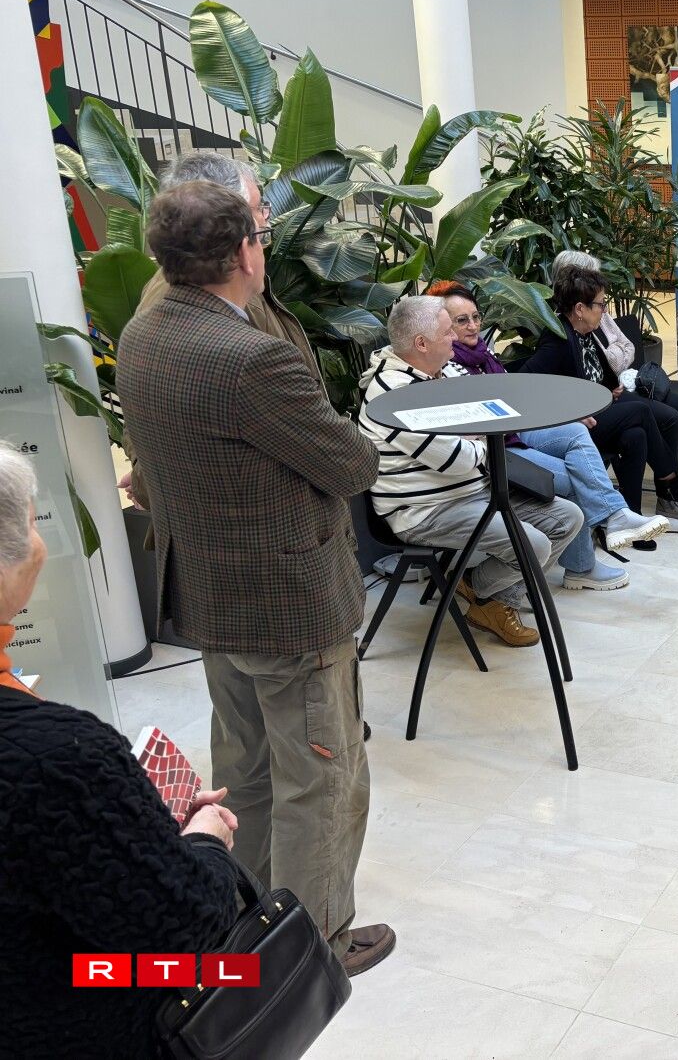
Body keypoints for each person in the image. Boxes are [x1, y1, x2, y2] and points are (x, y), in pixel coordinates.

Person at [114, 181, 394, 975]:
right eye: (260, 234)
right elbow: (351, 462)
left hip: (209, 599)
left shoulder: (141, 333)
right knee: (319, 781)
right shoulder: (252, 358)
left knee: (244, 770)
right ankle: (312, 951)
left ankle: (243, 925)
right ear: (244, 252)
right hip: (290, 609)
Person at [0, 442, 245, 1058]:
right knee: (246, 973)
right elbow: (184, 927)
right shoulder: (56, 759)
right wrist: (204, 839)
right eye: (32, 522)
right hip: (68, 1018)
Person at [358, 297, 585, 642]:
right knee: (534, 545)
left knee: (568, 517)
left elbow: (498, 416)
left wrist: (472, 435)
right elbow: (459, 459)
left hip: (474, 489)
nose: (457, 337)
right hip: (425, 510)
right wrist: (480, 438)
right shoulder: (392, 393)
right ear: (421, 344)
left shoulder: (446, 371)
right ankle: (486, 595)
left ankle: (485, 596)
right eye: (448, 331)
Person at [432, 281, 668, 583]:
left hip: (518, 430)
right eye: (462, 320)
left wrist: (567, 414)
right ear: (443, 326)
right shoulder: (446, 365)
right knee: (576, 473)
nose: (473, 325)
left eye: (476, 317)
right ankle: (582, 567)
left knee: (577, 431)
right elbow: (482, 421)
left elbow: (517, 396)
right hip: (496, 446)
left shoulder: (482, 353)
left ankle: (616, 515)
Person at [123, 151, 317, 509]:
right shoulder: (207, 300)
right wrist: (146, 480)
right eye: (258, 208)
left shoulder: (208, 290)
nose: (266, 217)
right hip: (256, 517)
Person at [524, 252, 678, 521]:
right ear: (580, 308)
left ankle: (631, 518)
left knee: (636, 436)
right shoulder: (558, 340)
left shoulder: (583, 331)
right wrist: (569, 414)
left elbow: (598, 368)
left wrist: (607, 386)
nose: (604, 310)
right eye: (600, 305)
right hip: (583, 421)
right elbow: (526, 385)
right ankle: (672, 482)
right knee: (642, 413)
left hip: (601, 405)